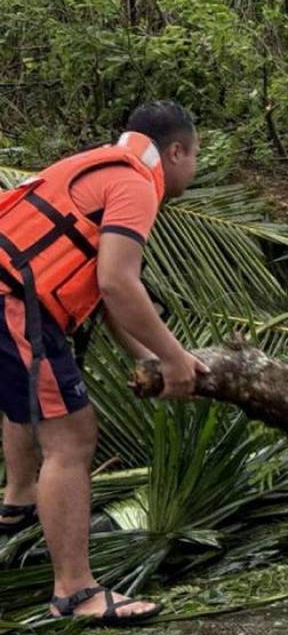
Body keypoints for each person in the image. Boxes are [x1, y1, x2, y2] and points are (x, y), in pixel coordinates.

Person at [0, 101, 207, 623]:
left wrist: (154, 359)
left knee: (30, 402)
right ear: (175, 151)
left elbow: (103, 290)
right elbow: (118, 282)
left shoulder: (97, 166)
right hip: (14, 305)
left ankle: (19, 502)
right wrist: (177, 358)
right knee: (71, 438)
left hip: (10, 297)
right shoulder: (135, 184)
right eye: (195, 156)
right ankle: (75, 593)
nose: (194, 167)